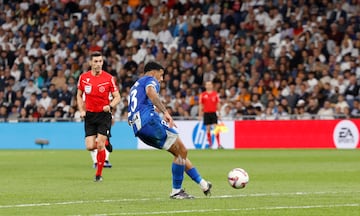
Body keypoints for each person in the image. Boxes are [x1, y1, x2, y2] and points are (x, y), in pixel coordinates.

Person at [128, 61, 212, 199]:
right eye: (161, 75)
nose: (161, 79)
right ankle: (176, 191)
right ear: (153, 72)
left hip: (138, 127)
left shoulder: (135, 85)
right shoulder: (150, 80)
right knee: (182, 151)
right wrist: (165, 112)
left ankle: (203, 184)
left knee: (180, 153)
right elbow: (151, 92)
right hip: (149, 121)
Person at [77, 51, 120, 182]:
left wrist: (111, 106)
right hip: (89, 115)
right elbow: (79, 95)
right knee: (90, 146)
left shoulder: (108, 78)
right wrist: (81, 110)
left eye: (100, 61)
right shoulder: (83, 77)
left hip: (104, 115)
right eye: (95, 61)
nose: (98, 64)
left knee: (99, 145)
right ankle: (106, 142)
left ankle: (98, 175)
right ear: (90, 63)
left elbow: (117, 97)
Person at [199, 81, 223, 149]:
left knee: (216, 128)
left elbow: (218, 104)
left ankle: (218, 144)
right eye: (207, 85)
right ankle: (210, 145)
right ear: (205, 86)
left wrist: (219, 113)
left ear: (212, 86)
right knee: (208, 129)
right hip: (206, 113)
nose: (208, 86)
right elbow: (201, 105)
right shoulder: (203, 95)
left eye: (210, 84)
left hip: (213, 113)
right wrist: (200, 115)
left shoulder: (215, 94)